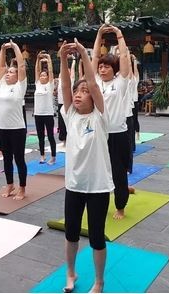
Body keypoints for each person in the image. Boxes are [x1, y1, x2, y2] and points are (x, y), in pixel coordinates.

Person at [58, 39, 112, 294]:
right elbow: (66, 84)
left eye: (84, 92)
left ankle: (99, 281)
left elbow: (92, 82)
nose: (78, 94)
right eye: (76, 92)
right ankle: (71, 272)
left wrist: (82, 52)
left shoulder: (100, 116)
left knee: (97, 237)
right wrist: (62, 59)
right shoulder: (70, 115)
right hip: (74, 186)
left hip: (98, 187)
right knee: (70, 234)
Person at [92, 24, 132, 220]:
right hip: (98, 134)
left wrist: (118, 34)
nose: (102, 68)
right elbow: (92, 58)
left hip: (117, 134)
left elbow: (123, 57)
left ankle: (120, 207)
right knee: (100, 171)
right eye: (101, 66)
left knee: (119, 173)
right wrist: (99, 35)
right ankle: (100, 202)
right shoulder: (95, 82)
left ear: (114, 69)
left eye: (106, 66)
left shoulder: (120, 82)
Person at [0, 40, 28, 200]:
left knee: (19, 158)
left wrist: (15, 47)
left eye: (11, 72)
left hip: (17, 129)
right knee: (6, 158)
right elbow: (0, 68)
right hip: (3, 128)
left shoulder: (20, 86)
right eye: (7, 72)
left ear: (17, 76)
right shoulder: (2, 85)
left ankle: (22, 188)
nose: (8, 73)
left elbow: (21, 66)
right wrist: (2, 49)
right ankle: (10, 185)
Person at [34, 52, 56, 164]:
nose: (42, 76)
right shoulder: (37, 84)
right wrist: (38, 59)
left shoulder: (50, 85)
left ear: (48, 77)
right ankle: (42, 155)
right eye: (41, 75)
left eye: (44, 75)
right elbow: (36, 71)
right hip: (38, 114)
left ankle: (53, 156)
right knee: (40, 136)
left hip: (48, 114)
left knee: (51, 136)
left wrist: (48, 58)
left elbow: (51, 71)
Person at [54, 56, 75, 147]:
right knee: (61, 124)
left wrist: (73, 60)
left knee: (69, 122)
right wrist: (64, 58)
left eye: (69, 71)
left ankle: (71, 139)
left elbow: (73, 70)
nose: (67, 72)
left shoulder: (71, 80)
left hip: (68, 104)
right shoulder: (60, 79)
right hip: (60, 104)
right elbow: (62, 69)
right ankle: (64, 140)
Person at [130, 55, 141, 145]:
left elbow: (134, 69)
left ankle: (137, 132)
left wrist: (134, 60)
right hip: (127, 103)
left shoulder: (135, 78)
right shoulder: (124, 79)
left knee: (135, 119)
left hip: (134, 101)